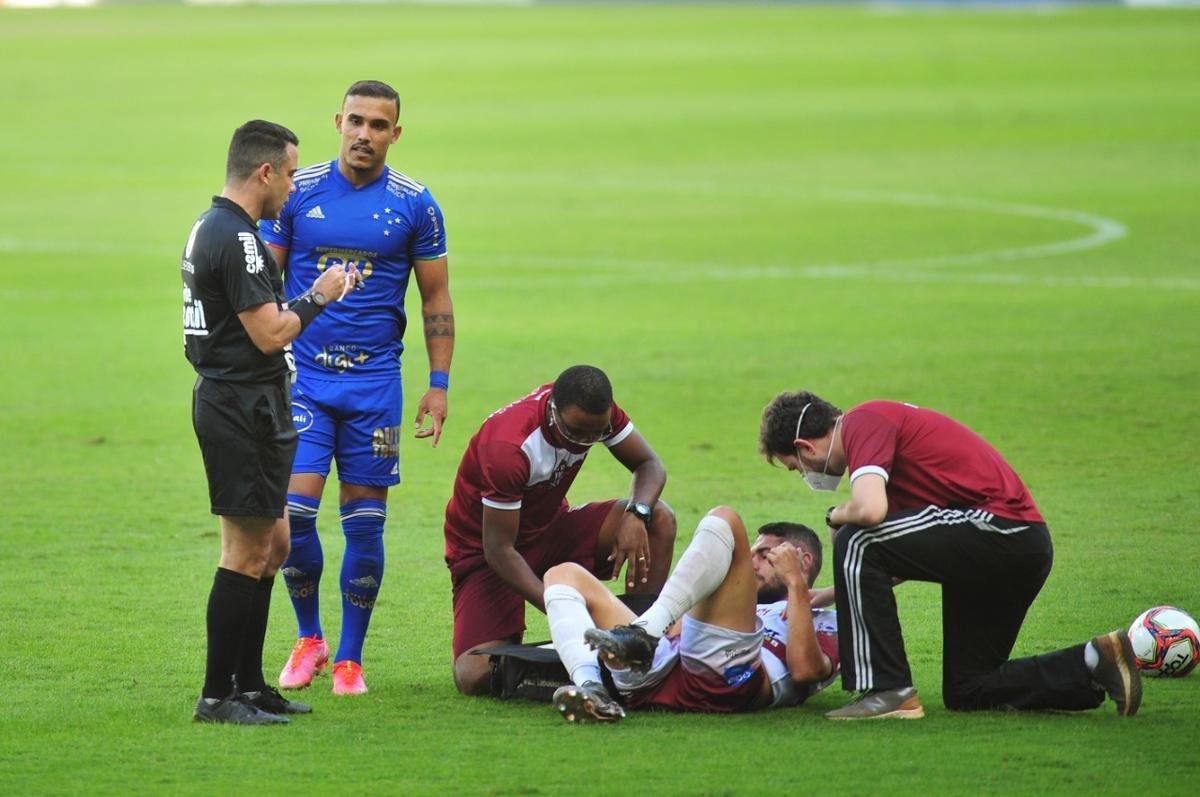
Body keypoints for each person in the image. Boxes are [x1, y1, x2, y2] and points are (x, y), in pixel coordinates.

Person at [758, 391, 1143, 719]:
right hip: (1014, 547)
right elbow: (897, 562)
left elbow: (869, 512)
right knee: (968, 689)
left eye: (797, 468)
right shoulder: (883, 451)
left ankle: (888, 691)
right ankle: (1095, 660)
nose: (805, 475)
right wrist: (824, 595)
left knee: (855, 537)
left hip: (1001, 529)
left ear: (804, 447)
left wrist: (835, 515)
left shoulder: (863, 422)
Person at [259, 80, 454, 696]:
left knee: (365, 525)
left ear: (396, 133)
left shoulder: (416, 204)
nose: (364, 134)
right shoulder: (298, 192)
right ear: (337, 121)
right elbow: (262, 280)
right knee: (293, 515)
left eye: (379, 125)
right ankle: (309, 638)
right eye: (356, 122)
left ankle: (349, 657)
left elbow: (435, 299)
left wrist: (439, 383)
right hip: (306, 381)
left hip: (375, 388)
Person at [183, 120, 362, 724]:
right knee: (244, 551)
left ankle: (251, 684)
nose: (292, 185)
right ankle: (216, 697)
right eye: (288, 173)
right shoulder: (236, 239)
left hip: (257, 404)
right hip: (240, 407)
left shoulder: (222, 228)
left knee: (276, 542)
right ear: (264, 172)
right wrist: (323, 292)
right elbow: (269, 334)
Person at [444, 365, 677, 695]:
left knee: (658, 519)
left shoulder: (595, 412)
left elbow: (650, 464)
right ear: (553, 410)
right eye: (577, 433)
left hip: (551, 528)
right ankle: (593, 661)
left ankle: (640, 641)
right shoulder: (508, 447)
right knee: (476, 674)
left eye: (596, 434)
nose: (587, 441)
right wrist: (563, 611)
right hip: (486, 552)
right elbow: (498, 549)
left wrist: (636, 514)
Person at [544, 507, 838, 722]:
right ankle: (592, 689)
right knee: (563, 574)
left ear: (803, 560)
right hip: (660, 674)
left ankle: (642, 634)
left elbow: (806, 671)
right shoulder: (750, 606)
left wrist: (796, 582)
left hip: (730, 679)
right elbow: (678, 630)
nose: (752, 563)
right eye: (752, 554)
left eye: (765, 555)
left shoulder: (828, 621)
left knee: (726, 519)